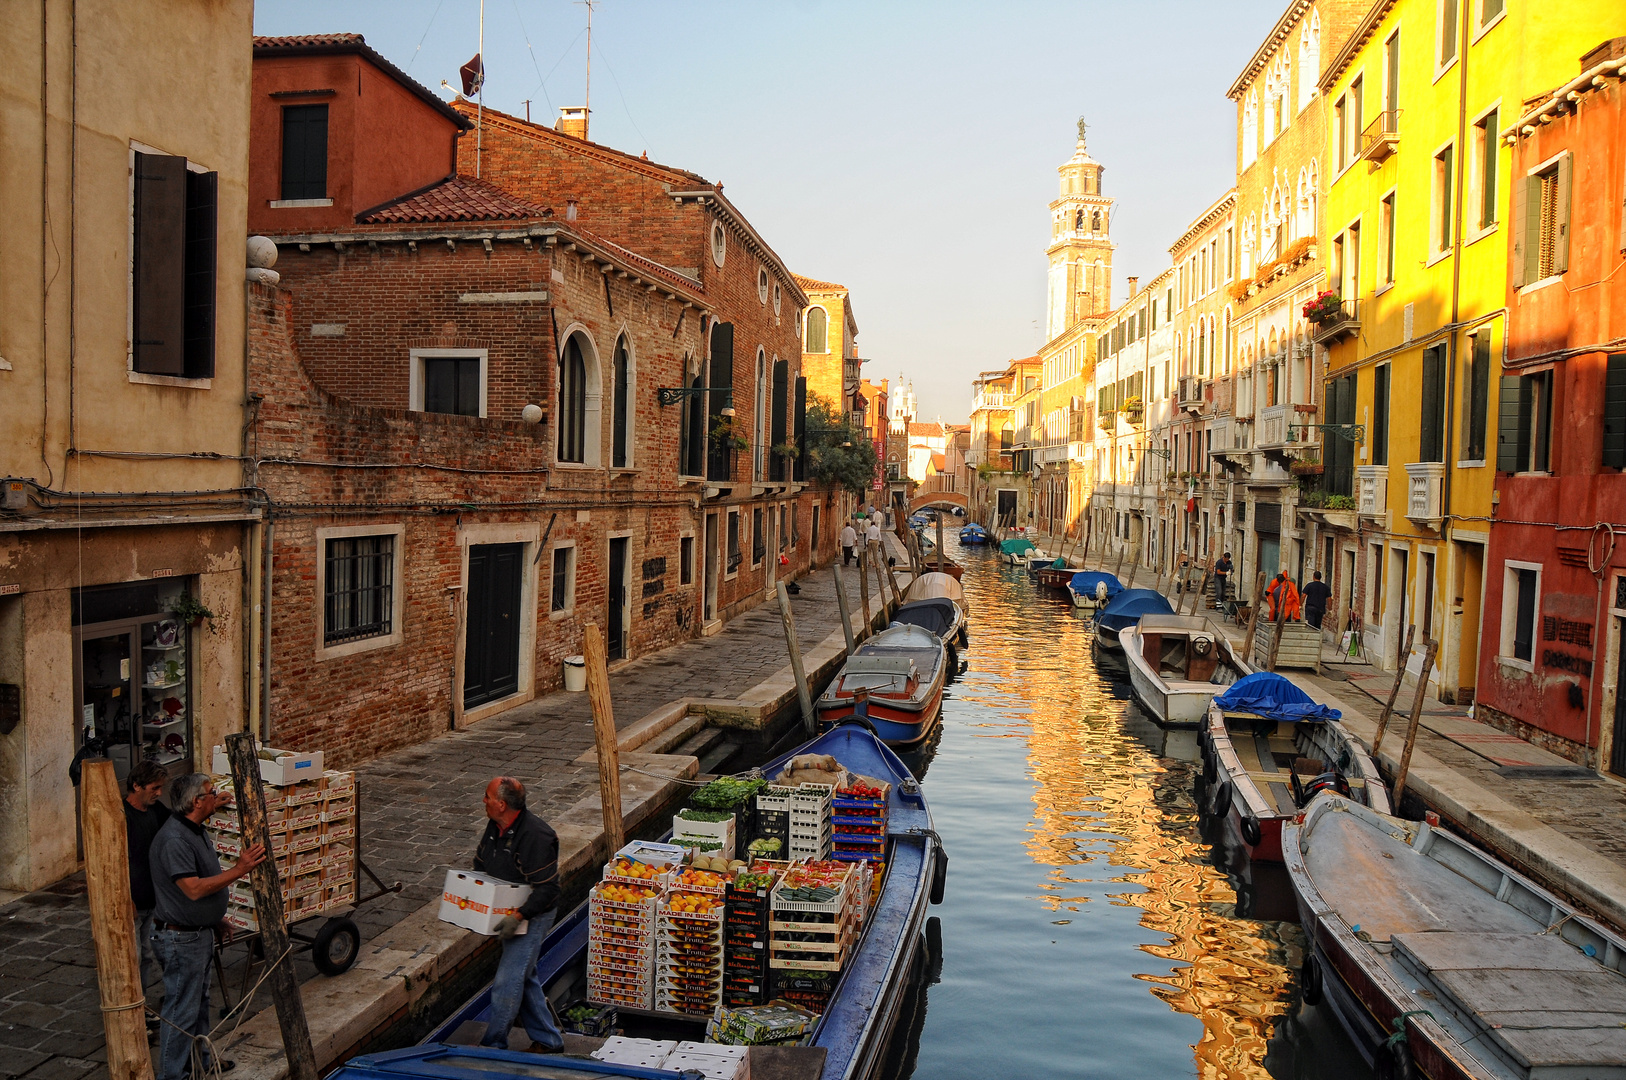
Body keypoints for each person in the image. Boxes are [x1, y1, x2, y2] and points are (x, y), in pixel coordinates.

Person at [150, 774, 265, 1080]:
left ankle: (199, 1061)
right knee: (181, 1010)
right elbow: (193, 889)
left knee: (199, 1005)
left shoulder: (195, 830)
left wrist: (215, 919)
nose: (217, 796)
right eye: (212, 793)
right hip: (180, 939)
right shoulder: (175, 839)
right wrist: (240, 870)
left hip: (197, 933)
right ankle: (173, 1076)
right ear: (196, 802)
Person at [475, 777, 563, 1053]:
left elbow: (548, 890)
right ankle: (549, 1040)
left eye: (488, 797)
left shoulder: (535, 837)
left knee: (506, 981)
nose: (484, 801)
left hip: (533, 914)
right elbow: (481, 862)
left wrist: (519, 916)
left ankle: (493, 1045)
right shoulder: (496, 825)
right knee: (523, 977)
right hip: (508, 908)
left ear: (501, 804)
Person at [124, 760, 171, 1035]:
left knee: (144, 957)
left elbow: (178, 820)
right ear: (137, 786)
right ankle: (132, 1010)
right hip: (132, 901)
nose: (158, 793)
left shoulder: (155, 811)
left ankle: (139, 1006)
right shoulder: (123, 815)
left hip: (151, 899)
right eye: (154, 788)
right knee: (133, 956)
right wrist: (125, 898)